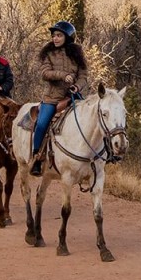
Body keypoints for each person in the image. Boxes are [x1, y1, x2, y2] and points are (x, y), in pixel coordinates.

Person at [30, 21, 88, 177]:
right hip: (52, 98)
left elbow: (83, 76)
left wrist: (77, 86)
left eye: (59, 35)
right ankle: (37, 157)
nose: (55, 38)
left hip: (72, 97)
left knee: (89, 120)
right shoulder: (48, 53)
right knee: (42, 124)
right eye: (54, 35)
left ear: (67, 37)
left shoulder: (77, 54)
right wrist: (63, 75)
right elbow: (45, 73)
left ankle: (92, 156)